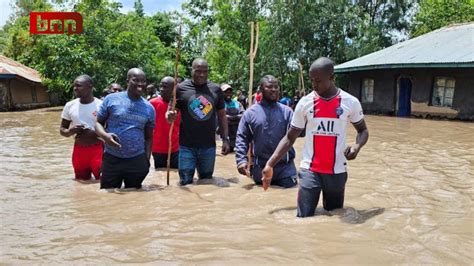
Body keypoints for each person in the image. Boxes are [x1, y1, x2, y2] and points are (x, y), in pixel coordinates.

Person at [262, 57, 369, 217]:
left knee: (334, 216)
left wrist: (356, 147)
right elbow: (289, 138)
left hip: (337, 171)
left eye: (318, 81)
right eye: (311, 80)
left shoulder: (350, 102)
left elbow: (363, 131)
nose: (314, 85)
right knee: (303, 218)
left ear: (332, 77)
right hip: (310, 170)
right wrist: (270, 164)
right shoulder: (305, 103)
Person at [166, 58, 230, 186]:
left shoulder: (216, 89)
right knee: (185, 182)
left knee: (206, 182)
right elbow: (169, 113)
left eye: (205, 71)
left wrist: (225, 139)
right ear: (192, 70)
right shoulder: (180, 88)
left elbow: (222, 116)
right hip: (186, 146)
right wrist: (170, 116)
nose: (201, 74)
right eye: (198, 71)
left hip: (208, 146)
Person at [95, 68, 156, 189]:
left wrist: (147, 160)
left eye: (143, 81)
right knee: (108, 194)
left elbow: (149, 137)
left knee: (134, 197)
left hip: (137, 159)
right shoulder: (111, 99)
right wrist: (105, 136)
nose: (140, 84)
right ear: (127, 81)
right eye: (136, 80)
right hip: (112, 158)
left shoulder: (149, 108)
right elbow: (98, 123)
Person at [235, 75, 297, 188]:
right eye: (269, 87)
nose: (274, 89)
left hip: (285, 170)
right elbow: (242, 137)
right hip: (261, 169)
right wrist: (241, 160)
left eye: (276, 87)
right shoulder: (250, 113)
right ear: (261, 89)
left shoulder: (287, 113)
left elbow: (295, 135)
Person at [60, 75, 103, 182]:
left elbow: (110, 129)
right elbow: (62, 130)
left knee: (103, 182)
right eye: (74, 86)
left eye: (79, 86)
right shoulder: (70, 105)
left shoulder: (101, 105)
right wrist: (71, 131)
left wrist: (94, 133)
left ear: (90, 87)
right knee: (80, 183)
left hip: (98, 149)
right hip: (79, 151)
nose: (75, 88)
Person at [149, 76, 181, 169]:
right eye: (161, 86)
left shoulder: (179, 105)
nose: (162, 89)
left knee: (176, 173)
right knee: (160, 172)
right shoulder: (152, 103)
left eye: (166, 87)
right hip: (158, 148)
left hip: (175, 147)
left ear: (173, 89)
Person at [221, 84, 244, 152]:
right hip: (224, 129)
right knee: (226, 148)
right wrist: (235, 117)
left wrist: (230, 117)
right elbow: (220, 117)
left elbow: (243, 114)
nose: (228, 94)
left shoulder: (237, 103)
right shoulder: (220, 103)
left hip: (235, 128)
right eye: (226, 92)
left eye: (230, 92)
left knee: (232, 147)